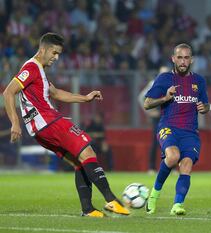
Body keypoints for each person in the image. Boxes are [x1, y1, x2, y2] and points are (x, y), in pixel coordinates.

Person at [2, 32, 130, 218]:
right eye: (54, 53)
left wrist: (85, 98)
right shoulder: (31, 68)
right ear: (43, 49)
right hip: (48, 121)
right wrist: (15, 122)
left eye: (59, 54)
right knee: (88, 152)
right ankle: (112, 200)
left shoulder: (39, 70)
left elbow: (56, 93)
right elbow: (8, 92)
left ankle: (88, 209)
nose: (56, 58)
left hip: (40, 129)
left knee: (80, 162)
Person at [144, 43, 209, 215]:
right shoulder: (164, 78)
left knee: (186, 165)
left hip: (190, 132)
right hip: (168, 126)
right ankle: (154, 195)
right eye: (179, 57)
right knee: (173, 157)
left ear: (191, 60)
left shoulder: (199, 81)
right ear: (173, 59)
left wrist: (204, 108)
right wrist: (165, 98)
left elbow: (206, 104)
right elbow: (147, 103)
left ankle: (177, 205)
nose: (183, 61)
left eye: (186, 58)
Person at [138, 66, 170, 173]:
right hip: (157, 117)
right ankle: (151, 167)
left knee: (170, 141)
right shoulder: (153, 83)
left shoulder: (172, 84)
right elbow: (141, 97)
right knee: (156, 141)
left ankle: (171, 167)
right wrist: (149, 112)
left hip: (168, 116)